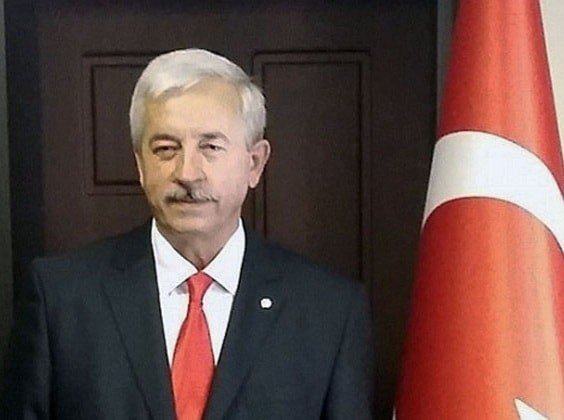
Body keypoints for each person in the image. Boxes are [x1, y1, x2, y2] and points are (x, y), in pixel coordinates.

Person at [2, 49, 374, 419]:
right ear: (141, 165)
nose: (187, 173)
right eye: (166, 149)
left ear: (254, 163)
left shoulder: (329, 310)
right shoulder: (61, 299)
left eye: (210, 147)